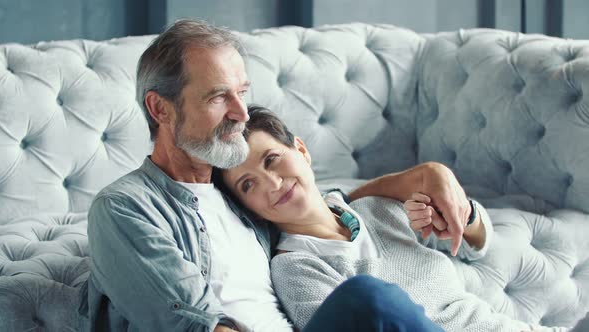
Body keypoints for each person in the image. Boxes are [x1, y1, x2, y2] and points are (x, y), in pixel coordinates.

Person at [79, 19, 474, 332]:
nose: (241, 112)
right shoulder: (124, 207)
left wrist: (428, 174)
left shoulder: (237, 193)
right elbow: (192, 325)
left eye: (242, 93)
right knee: (368, 299)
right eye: (218, 97)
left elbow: (326, 205)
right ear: (160, 109)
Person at [216, 105, 571, 332]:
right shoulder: (296, 266)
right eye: (249, 185)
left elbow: (477, 244)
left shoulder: (377, 208)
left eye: (272, 160)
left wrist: (457, 217)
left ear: (301, 151)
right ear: (247, 206)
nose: (272, 184)